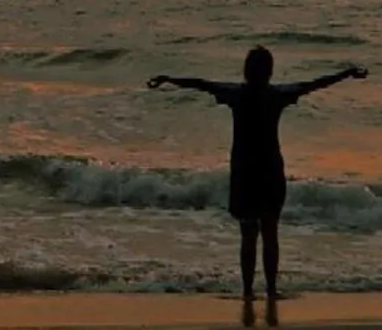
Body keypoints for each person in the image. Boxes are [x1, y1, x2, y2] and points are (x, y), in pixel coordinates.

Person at [147, 47, 368, 310]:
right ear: (270, 71)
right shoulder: (276, 96)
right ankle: (272, 291)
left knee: (248, 235)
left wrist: (168, 79)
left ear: (246, 70)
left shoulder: (236, 95)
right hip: (271, 169)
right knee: (270, 233)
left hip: (244, 171)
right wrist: (347, 73)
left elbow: (200, 84)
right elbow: (315, 84)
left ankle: (249, 291)